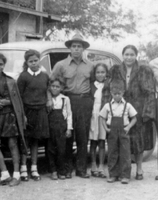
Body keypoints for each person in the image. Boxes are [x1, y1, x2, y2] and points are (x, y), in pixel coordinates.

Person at [109, 45, 156, 180]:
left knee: (138, 141)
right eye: (126, 54)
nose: (129, 57)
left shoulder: (144, 70)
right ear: (122, 55)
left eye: (131, 54)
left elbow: (150, 92)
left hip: (138, 110)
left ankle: (139, 169)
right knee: (122, 140)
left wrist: (148, 112)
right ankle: (123, 172)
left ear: (136, 56)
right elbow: (108, 89)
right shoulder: (115, 70)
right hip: (120, 110)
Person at [51, 33, 93, 178]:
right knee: (67, 136)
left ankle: (81, 169)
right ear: (69, 48)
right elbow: (51, 83)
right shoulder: (60, 65)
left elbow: (95, 84)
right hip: (67, 101)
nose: (76, 49)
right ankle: (66, 169)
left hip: (84, 102)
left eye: (79, 46)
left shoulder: (90, 65)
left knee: (82, 136)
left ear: (83, 49)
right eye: (73, 46)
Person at [0, 53, 27, 187]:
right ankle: (4, 175)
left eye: (1, 64)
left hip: (9, 115)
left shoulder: (10, 80)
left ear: (4, 65)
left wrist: (8, 102)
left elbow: (16, 100)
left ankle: (16, 175)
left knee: (13, 144)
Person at [17, 49, 51, 181]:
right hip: (27, 111)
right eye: (30, 61)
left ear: (39, 60)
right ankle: (23, 168)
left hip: (40, 111)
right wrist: (23, 115)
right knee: (26, 141)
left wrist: (48, 101)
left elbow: (47, 90)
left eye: (35, 60)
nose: (33, 63)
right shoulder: (23, 76)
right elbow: (19, 97)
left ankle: (34, 168)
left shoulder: (44, 75)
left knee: (36, 141)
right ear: (26, 62)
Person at [100, 78, 137, 184]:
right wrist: (106, 128)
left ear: (123, 92)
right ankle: (113, 175)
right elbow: (102, 117)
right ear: (111, 93)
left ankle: (125, 175)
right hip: (112, 132)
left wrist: (128, 127)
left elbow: (134, 118)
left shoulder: (127, 105)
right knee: (112, 152)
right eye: (115, 93)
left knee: (125, 153)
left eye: (119, 93)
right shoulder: (108, 106)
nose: (117, 96)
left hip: (124, 131)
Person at [48, 77, 73, 180]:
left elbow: (69, 114)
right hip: (50, 126)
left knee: (61, 149)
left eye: (57, 87)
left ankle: (61, 170)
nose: (55, 88)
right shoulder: (47, 99)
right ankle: (53, 171)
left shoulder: (65, 99)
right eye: (53, 86)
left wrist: (69, 128)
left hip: (61, 127)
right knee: (50, 149)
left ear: (61, 88)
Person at [89, 63, 110, 178]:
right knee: (93, 141)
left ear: (106, 73)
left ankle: (101, 166)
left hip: (104, 115)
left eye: (102, 72)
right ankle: (93, 165)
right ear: (94, 73)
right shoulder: (91, 85)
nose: (100, 74)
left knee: (102, 141)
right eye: (98, 72)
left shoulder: (108, 85)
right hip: (93, 114)